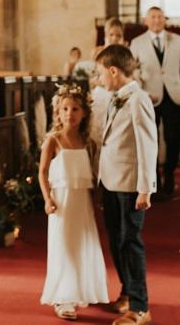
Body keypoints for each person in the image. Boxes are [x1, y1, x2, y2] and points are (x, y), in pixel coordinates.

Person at [95, 44, 157, 325]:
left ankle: (141, 307)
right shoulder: (115, 97)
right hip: (110, 180)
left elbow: (147, 145)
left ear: (113, 70)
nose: (99, 80)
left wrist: (145, 188)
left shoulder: (138, 99)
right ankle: (128, 292)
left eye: (100, 74)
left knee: (130, 242)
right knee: (117, 240)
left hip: (130, 184)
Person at [39, 84, 108, 320]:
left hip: (81, 202)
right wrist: (47, 199)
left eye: (75, 109)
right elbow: (42, 172)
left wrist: (96, 201)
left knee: (81, 246)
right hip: (61, 202)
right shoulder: (53, 140)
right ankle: (62, 297)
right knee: (64, 247)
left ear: (85, 113)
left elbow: (92, 175)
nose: (70, 113)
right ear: (57, 112)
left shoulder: (88, 143)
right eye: (65, 109)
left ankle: (78, 289)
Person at [130, 6, 180, 197]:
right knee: (151, 140)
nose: (157, 20)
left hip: (173, 97)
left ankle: (169, 177)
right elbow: (132, 71)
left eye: (160, 17)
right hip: (149, 97)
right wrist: (141, 91)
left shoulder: (177, 41)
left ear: (164, 20)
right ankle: (155, 181)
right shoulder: (137, 43)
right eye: (153, 17)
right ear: (146, 20)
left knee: (173, 138)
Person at [90, 17, 126, 146]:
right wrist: (99, 80)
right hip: (102, 93)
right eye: (111, 35)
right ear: (106, 35)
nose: (115, 38)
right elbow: (91, 77)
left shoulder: (125, 55)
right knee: (99, 131)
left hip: (119, 94)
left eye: (118, 35)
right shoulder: (98, 53)